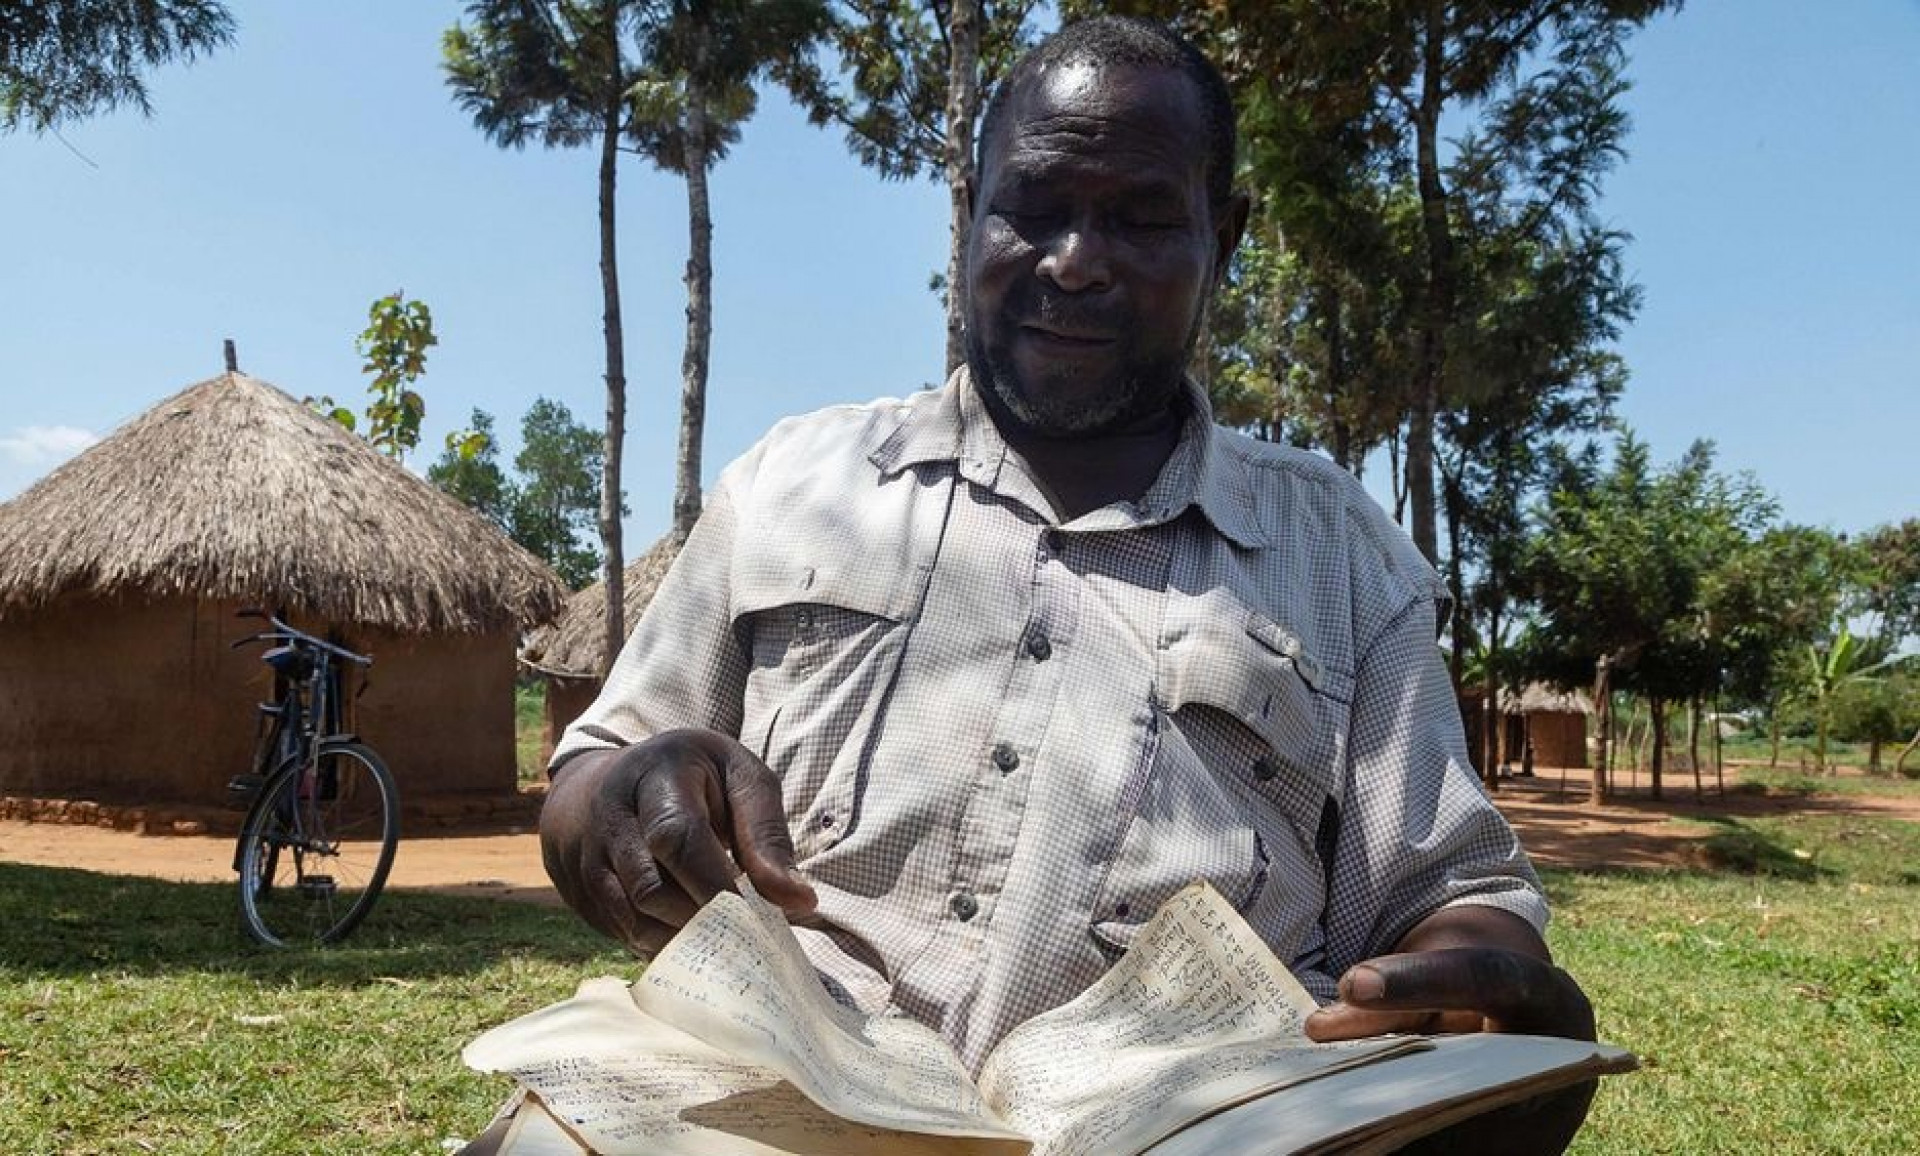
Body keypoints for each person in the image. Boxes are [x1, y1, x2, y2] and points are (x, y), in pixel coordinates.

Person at [540, 16, 1596, 1152]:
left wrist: (1478, 990)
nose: (1077, 260)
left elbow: (1451, 896)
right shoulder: (794, 483)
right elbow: (589, 780)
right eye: (1033, 210)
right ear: (971, 215)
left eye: (1140, 217)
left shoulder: (1343, 557)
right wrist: (616, 806)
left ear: (1222, 236)